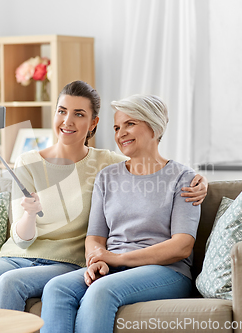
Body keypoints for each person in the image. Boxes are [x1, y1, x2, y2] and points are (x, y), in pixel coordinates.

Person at [0, 82, 206, 311]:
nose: (68, 121)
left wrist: (201, 181)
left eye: (79, 114)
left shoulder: (107, 163)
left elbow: (151, 165)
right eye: (62, 111)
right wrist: (30, 214)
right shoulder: (27, 161)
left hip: (67, 261)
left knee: (8, 284)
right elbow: (21, 241)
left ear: (93, 123)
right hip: (16, 255)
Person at [40, 94, 201, 333]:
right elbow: (94, 237)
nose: (120, 133)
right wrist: (98, 260)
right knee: (56, 288)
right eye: (116, 127)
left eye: (130, 124)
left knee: (102, 290)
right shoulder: (107, 176)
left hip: (167, 271)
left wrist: (117, 259)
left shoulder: (184, 178)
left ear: (154, 127)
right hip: (113, 266)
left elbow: (181, 247)